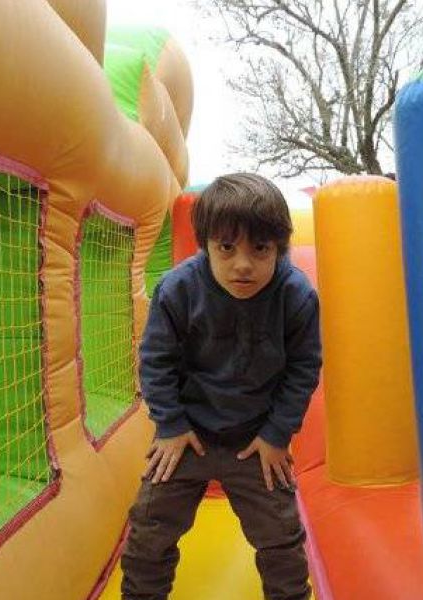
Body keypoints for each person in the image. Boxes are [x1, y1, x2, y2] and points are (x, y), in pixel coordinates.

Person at [121, 173, 322, 600]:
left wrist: (276, 435)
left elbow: (304, 368)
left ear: (280, 246)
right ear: (206, 244)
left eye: (260, 249)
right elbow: (155, 361)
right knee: (148, 534)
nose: (243, 264)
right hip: (187, 435)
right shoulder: (178, 289)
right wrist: (171, 425)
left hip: (255, 441)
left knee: (281, 539)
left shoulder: (296, 296)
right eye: (226, 248)